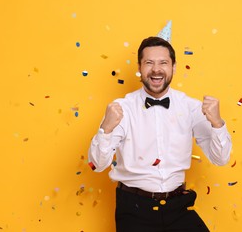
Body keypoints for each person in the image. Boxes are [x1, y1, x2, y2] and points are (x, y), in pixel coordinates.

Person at [88, 36, 232, 232]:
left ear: (173, 67)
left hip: (177, 207)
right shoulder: (122, 108)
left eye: (163, 62)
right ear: (139, 67)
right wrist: (106, 129)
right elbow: (96, 165)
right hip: (134, 210)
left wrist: (217, 123)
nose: (156, 69)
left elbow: (221, 159)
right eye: (149, 63)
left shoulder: (190, 107)